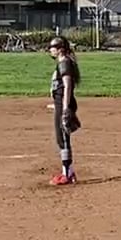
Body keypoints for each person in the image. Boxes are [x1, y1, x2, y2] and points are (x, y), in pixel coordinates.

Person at [47, 36, 82, 186]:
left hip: (64, 105)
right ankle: (69, 172)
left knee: (63, 138)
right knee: (61, 137)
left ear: (60, 49)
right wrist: (57, 104)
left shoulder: (65, 63)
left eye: (53, 47)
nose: (50, 50)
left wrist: (66, 107)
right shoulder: (62, 63)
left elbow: (68, 86)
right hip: (60, 104)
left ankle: (67, 174)